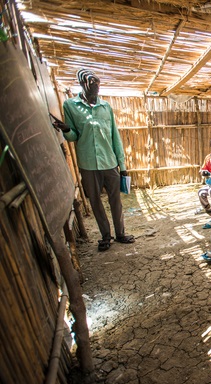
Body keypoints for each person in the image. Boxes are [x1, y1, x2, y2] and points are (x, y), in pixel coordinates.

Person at [53, 69, 134, 251]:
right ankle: (106, 236)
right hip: (88, 164)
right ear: (82, 84)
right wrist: (66, 130)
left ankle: (120, 233)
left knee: (116, 201)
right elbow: (73, 137)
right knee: (96, 201)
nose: (96, 86)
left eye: (98, 83)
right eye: (92, 82)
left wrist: (122, 166)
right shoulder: (70, 106)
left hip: (109, 162)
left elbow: (115, 136)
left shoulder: (105, 107)